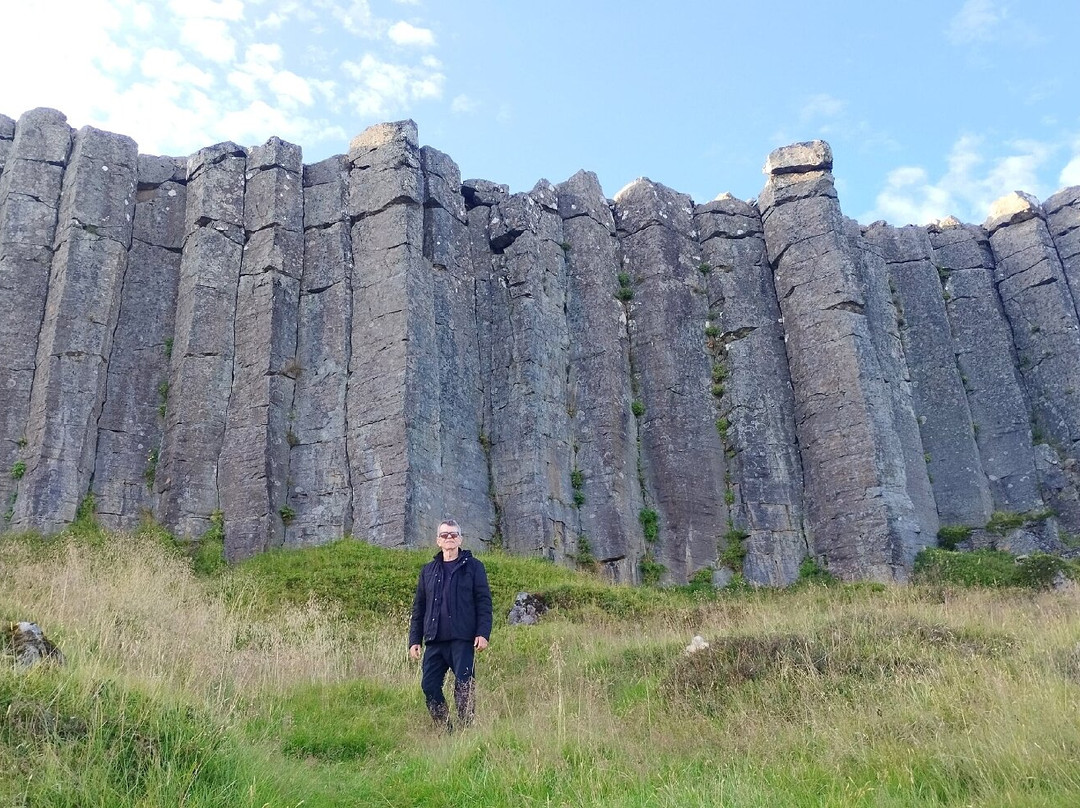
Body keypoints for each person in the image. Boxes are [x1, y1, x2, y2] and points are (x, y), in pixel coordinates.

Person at [408, 519, 493, 731]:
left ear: (460, 539)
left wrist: (483, 633)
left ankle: (466, 731)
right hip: (435, 640)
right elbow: (419, 607)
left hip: (462, 639)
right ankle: (446, 729)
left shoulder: (474, 567)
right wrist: (414, 640)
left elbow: (483, 602)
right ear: (438, 541)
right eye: (445, 535)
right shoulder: (428, 571)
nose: (449, 538)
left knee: (464, 687)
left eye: (454, 534)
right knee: (429, 686)